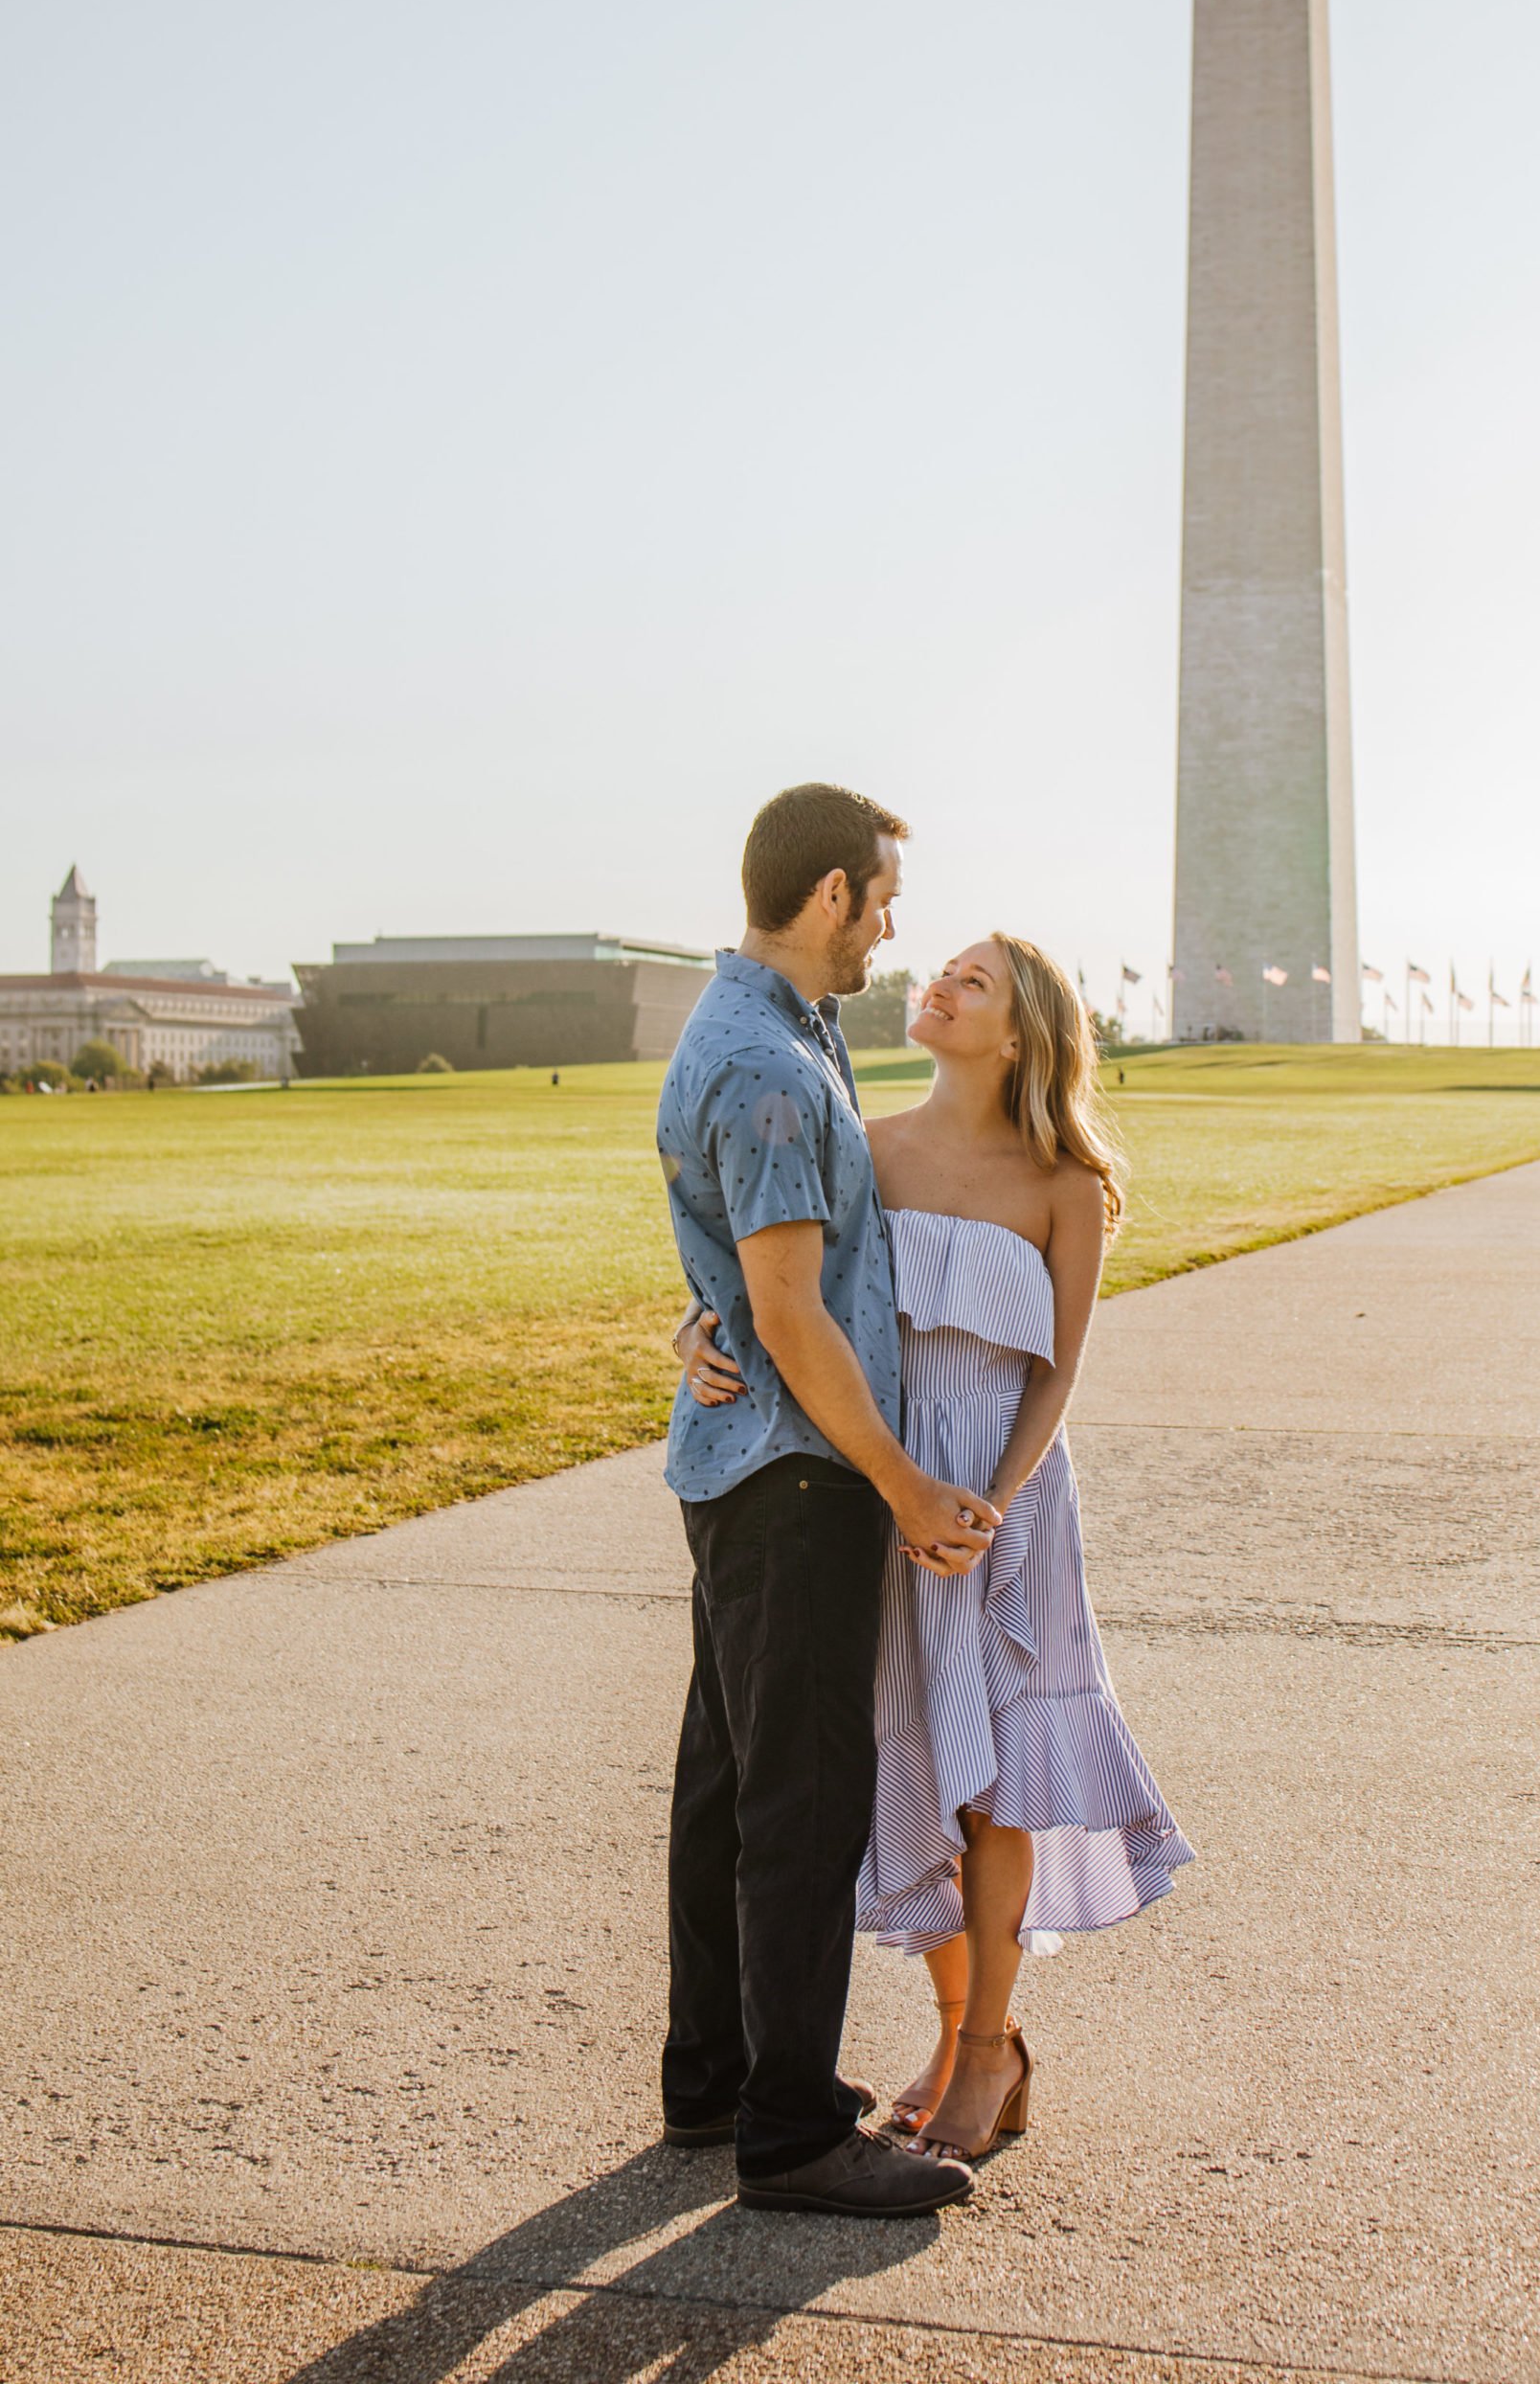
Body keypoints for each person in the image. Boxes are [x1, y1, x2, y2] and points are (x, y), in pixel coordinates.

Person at [682, 933, 1192, 2167]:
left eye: (973, 980)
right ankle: (964, 2030)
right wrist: (695, 1333)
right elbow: (779, 1278)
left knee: (1001, 1773)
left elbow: (1059, 1373)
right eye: (942, 970)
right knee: (918, 1768)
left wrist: (993, 1507)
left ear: (1020, 1033)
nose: (939, 985)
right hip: (889, 1491)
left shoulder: (1068, 1182)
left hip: (1008, 1512)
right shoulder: (870, 1148)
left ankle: (985, 2056)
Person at [655, 783, 996, 2217]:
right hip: (800, 1479)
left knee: (730, 1784)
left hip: (746, 1466)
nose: (893, 926)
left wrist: (695, 1316)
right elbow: (793, 1315)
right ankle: (790, 2132)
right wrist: (906, 1480)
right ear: (830, 897)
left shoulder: (768, 1032)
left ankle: (715, 2077)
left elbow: (740, 1272)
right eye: (883, 897)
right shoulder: (778, 1066)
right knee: (800, 1800)